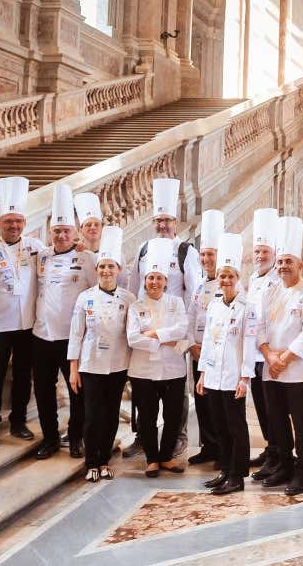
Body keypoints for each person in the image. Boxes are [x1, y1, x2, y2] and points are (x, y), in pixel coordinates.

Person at [125, 178, 199, 459]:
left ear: (176, 222)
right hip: (144, 329)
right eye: (158, 220)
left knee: (175, 386)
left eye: (167, 220)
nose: (162, 226)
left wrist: (186, 338)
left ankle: (177, 435)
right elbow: (133, 290)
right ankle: (142, 437)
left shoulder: (185, 251)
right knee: (143, 386)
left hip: (174, 332)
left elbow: (193, 294)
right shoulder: (144, 249)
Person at [0, 176, 42, 447]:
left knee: (24, 376)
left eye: (18, 222)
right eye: (8, 221)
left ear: (24, 224)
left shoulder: (36, 248)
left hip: (28, 326)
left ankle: (18, 421)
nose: (14, 226)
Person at [257, 216, 303, 496]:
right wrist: (269, 356)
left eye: (288, 262)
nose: (283, 266)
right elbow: (258, 327)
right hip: (270, 369)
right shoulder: (270, 291)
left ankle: (302, 472)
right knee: (276, 421)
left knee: (300, 422)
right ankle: (283, 465)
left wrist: (282, 359)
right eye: (280, 261)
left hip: (295, 371)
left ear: (300, 265)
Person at [32, 184, 96, 459]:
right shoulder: (41, 257)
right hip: (41, 335)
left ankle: (76, 435)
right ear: (50, 233)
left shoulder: (87, 259)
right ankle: (49, 438)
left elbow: (97, 293)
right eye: (56, 231)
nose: (60, 235)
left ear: (76, 232)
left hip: (72, 337)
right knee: (44, 391)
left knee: (77, 391)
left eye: (66, 231)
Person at [67, 226, 132, 483]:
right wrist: (73, 369)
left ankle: (104, 459)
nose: (106, 271)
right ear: (96, 271)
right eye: (102, 267)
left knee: (110, 414)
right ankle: (91, 462)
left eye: (110, 266)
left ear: (118, 270)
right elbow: (76, 334)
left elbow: (132, 335)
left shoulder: (128, 298)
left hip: (117, 366)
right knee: (92, 416)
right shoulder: (85, 298)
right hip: (90, 365)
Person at [197, 233, 258, 495]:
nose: (225, 280)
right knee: (219, 426)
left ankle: (237, 476)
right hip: (213, 376)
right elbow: (208, 343)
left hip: (234, 377)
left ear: (238, 279)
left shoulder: (247, 308)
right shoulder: (214, 307)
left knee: (236, 427)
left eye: (230, 276)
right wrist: (201, 375)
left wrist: (245, 379)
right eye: (222, 276)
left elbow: (249, 345)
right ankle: (224, 470)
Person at [127, 238, 190, 478]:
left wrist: (153, 334)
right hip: (142, 371)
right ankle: (152, 459)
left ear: (166, 282)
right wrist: (166, 339)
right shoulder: (136, 306)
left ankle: (166, 457)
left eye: (159, 278)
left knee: (173, 415)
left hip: (173, 370)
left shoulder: (176, 302)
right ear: (144, 282)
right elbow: (133, 338)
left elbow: (182, 329)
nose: (154, 282)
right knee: (147, 416)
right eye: (150, 278)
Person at [188, 209, 225, 467]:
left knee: (216, 404)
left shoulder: (227, 284)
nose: (205, 259)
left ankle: (222, 449)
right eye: (202, 255)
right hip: (198, 351)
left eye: (210, 255)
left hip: (217, 354)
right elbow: (191, 317)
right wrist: (192, 344)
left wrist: (207, 348)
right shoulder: (200, 285)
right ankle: (208, 445)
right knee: (200, 400)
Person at [247, 207, 281, 471]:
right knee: (260, 404)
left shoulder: (278, 280)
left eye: (265, 252)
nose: (260, 256)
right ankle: (271, 449)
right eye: (257, 251)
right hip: (253, 352)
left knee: (274, 408)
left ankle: (279, 454)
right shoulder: (251, 278)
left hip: (270, 353)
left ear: (274, 254)